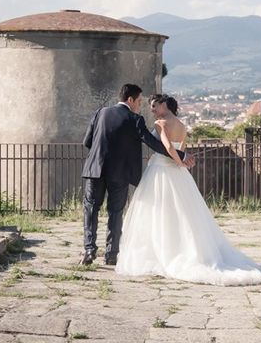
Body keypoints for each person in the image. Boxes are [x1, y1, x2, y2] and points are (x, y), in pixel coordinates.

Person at [116, 94, 261, 286]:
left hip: (162, 169)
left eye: (155, 106)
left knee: (158, 211)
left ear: (164, 105)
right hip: (178, 173)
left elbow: (169, 148)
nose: (152, 110)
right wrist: (182, 164)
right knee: (183, 212)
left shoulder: (160, 123)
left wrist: (178, 160)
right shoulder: (181, 124)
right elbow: (183, 146)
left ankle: (162, 253)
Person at [80, 84, 194, 266]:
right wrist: (182, 155)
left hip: (95, 169)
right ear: (130, 100)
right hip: (120, 173)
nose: (141, 105)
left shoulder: (101, 112)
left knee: (91, 209)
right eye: (140, 101)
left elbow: (88, 141)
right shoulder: (135, 119)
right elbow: (154, 144)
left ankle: (89, 250)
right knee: (115, 213)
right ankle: (111, 255)